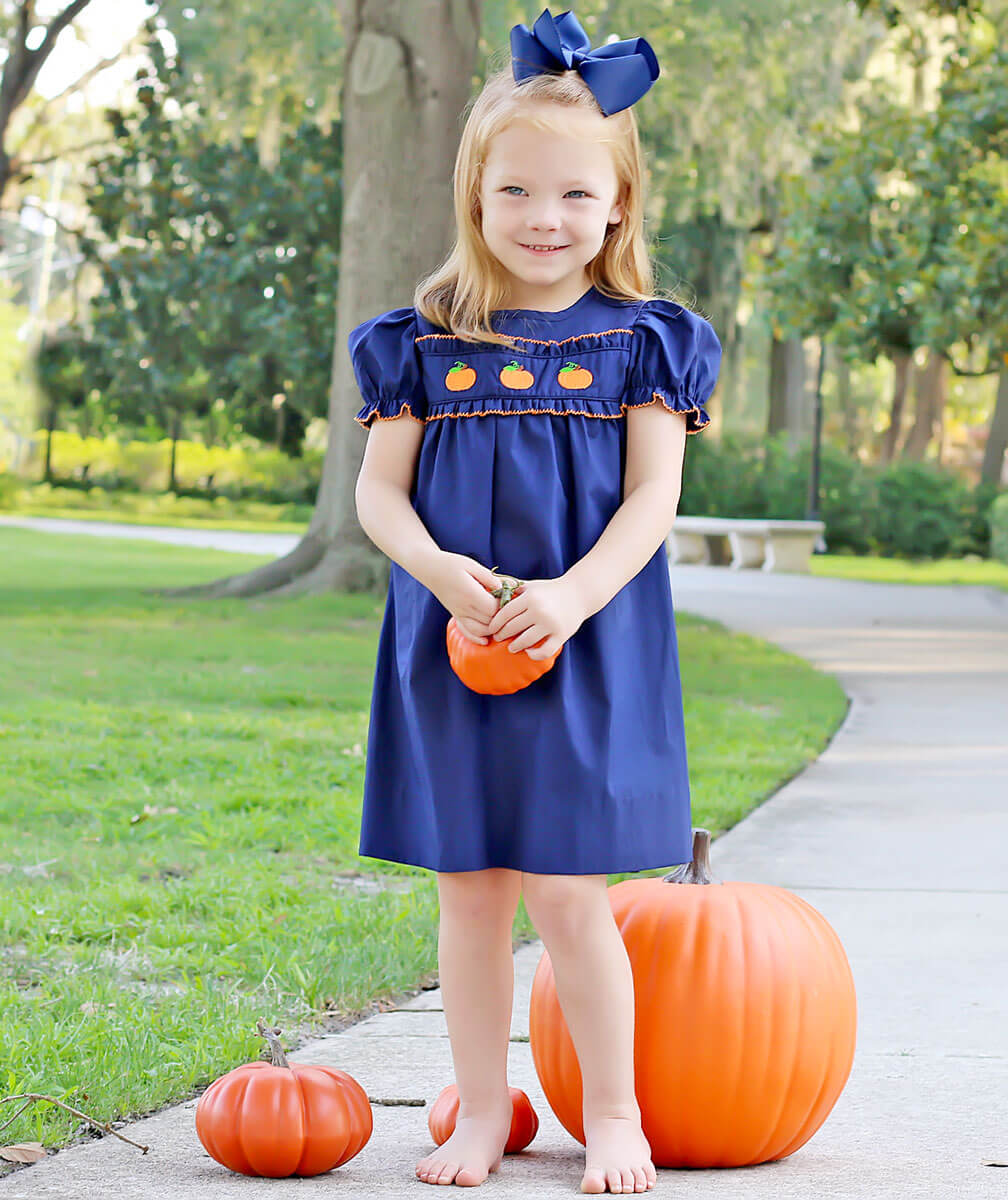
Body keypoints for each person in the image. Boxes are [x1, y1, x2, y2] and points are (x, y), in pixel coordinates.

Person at [348, 8, 722, 1195]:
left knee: (569, 891)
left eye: (573, 196)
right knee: (471, 893)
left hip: (589, 639)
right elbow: (379, 497)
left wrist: (568, 598)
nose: (544, 219)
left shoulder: (644, 343)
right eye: (516, 192)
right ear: (475, 195)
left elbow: (653, 499)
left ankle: (612, 1116)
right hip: (452, 639)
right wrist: (440, 574)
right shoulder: (419, 344)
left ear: (617, 204)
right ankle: (478, 1118)